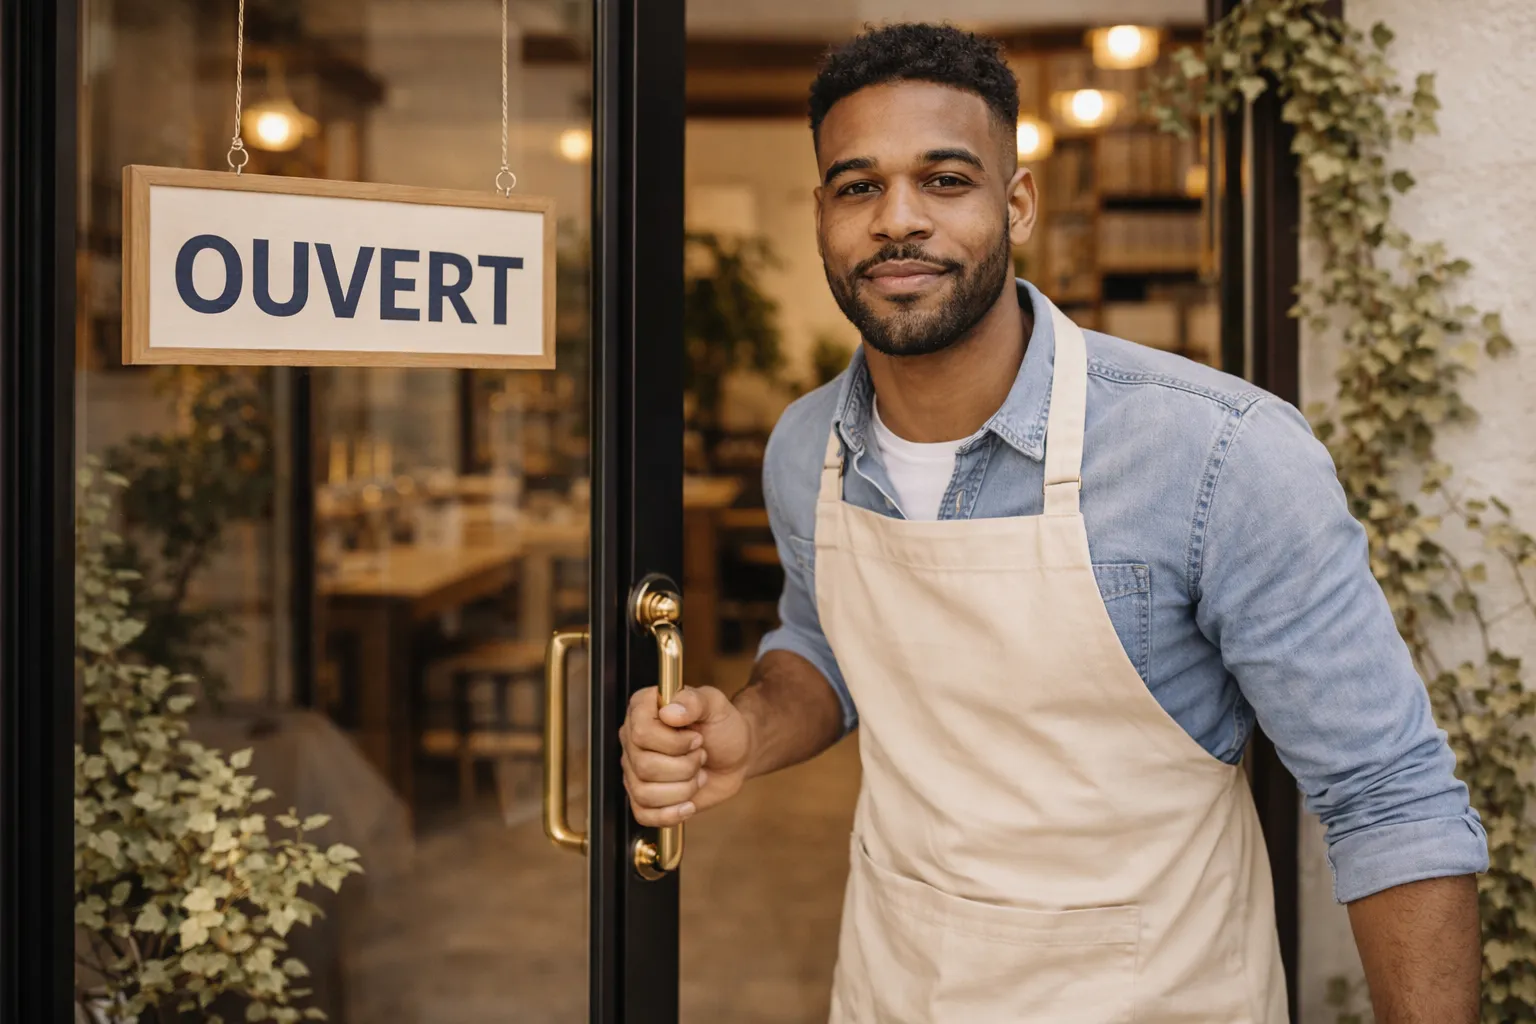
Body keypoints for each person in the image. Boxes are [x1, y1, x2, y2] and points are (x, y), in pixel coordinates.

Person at [618, 22, 1487, 1023]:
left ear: (1017, 201)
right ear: (822, 214)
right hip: (896, 990)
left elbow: (1389, 796)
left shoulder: (1220, 455)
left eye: (946, 179)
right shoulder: (804, 447)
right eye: (859, 186)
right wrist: (749, 727)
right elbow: (822, 644)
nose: (897, 219)